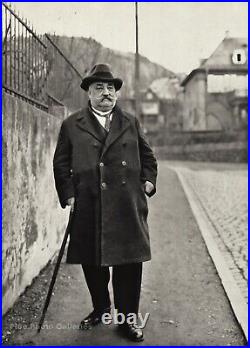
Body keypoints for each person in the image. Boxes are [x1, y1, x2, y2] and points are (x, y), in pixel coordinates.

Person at [53, 63, 157, 342]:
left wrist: (148, 181)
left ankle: (127, 318)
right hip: (88, 203)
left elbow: (148, 157)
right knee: (93, 263)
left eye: (110, 88)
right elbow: (61, 164)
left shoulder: (130, 122)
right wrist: (69, 195)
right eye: (99, 87)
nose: (106, 92)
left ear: (116, 94)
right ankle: (101, 307)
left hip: (126, 205)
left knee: (129, 264)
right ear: (88, 93)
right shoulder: (72, 124)